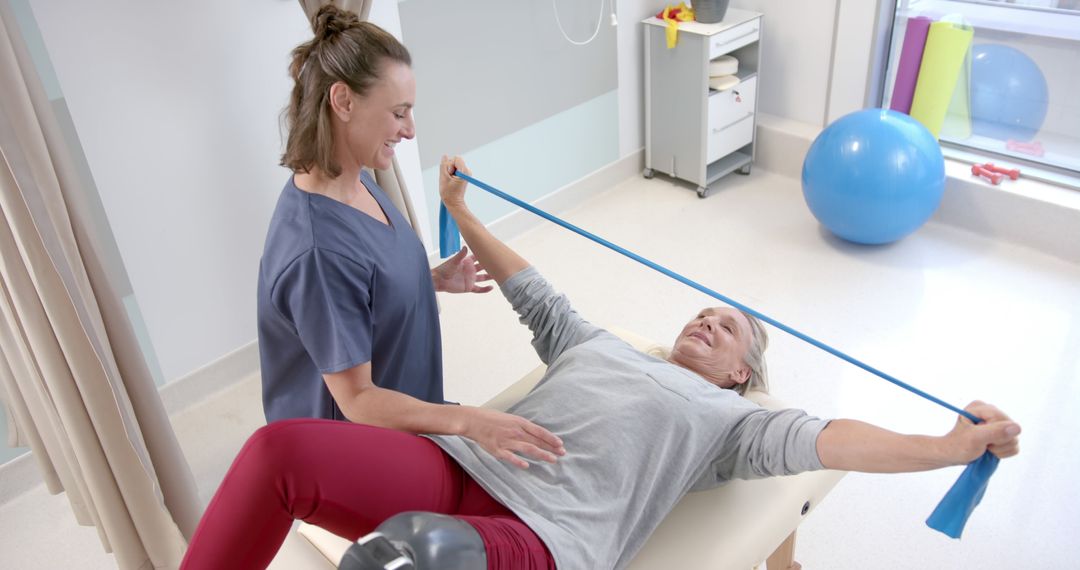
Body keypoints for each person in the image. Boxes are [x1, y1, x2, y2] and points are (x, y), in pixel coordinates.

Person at [183, 156, 1021, 570]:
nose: (707, 318)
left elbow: (836, 440)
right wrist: (458, 210)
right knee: (278, 451)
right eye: (705, 310)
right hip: (457, 464)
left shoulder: (736, 423)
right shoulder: (598, 344)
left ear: (741, 373)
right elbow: (528, 286)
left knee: (409, 556)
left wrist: (946, 447)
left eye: (728, 328)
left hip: (542, 535)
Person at [258, 6, 563, 465]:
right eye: (398, 112)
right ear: (343, 102)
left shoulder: (354, 181)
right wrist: (468, 421)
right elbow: (358, 401)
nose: (410, 129)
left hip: (406, 415)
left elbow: (366, 281)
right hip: (350, 455)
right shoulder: (317, 251)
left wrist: (429, 279)